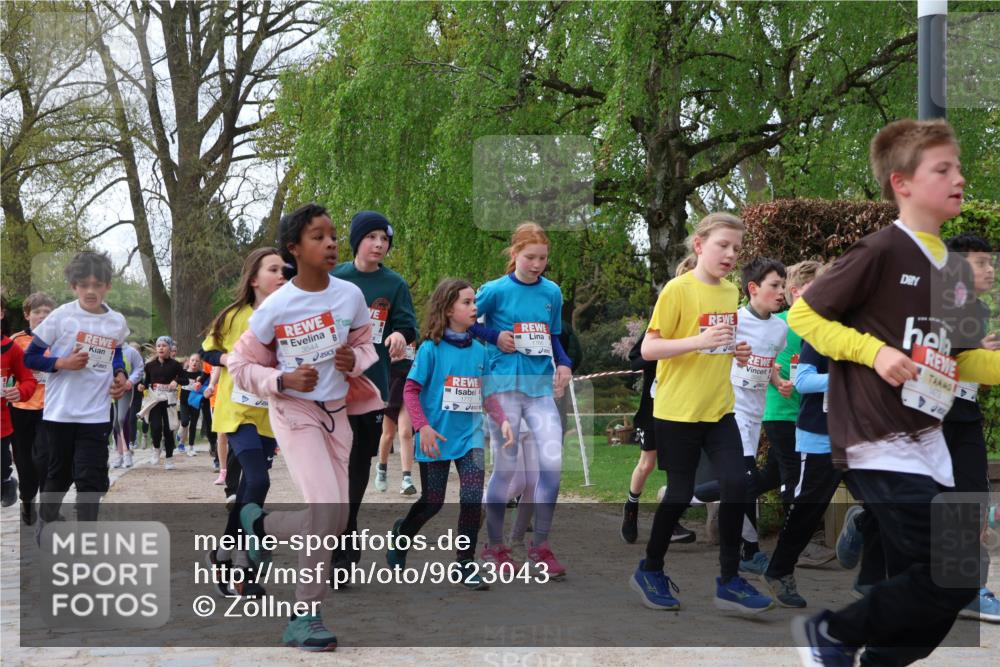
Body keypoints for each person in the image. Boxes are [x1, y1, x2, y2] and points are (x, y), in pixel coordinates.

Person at [788, 118, 999, 666]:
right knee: (943, 570)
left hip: (932, 445)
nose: (958, 176)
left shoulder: (953, 272)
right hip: (876, 438)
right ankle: (833, 632)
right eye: (942, 168)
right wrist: (873, 351)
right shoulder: (880, 250)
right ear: (902, 183)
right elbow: (805, 314)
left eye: (958, 166)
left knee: (957, 576)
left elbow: (965, 360)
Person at [229, 203, 381, 650]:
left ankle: (259, 526)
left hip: (338, 414)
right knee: (324, 511)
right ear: (294, 248)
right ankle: (305, 616)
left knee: (335, 517)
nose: (331, 243)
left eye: (332, 235)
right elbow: (239, 364)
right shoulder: (276, 307)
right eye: (318, 236)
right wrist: (281, 379)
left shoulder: (350, 295)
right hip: (295, 413)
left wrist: (357, 359)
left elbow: (364, 344)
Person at [630, 212, 773, 615]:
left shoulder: (731, 293)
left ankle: (730, 580)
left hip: (719, 409)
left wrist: (733, 349)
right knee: (679, 494)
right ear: (699, 245)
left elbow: (716, 344)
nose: (730, 254)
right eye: (722, 245)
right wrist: (699, 340)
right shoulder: (677, 290)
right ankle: (650, 569)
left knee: (736, 484)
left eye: (736, 249)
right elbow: (648, 350)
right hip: (677, 412)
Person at [387, 278, 514, 589]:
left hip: (470, 435)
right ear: (447, 310)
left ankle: (465, 564)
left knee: (472, 498)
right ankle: (403, 534)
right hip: (435, 437)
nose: (474, 308)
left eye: (475, 302)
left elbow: (487, 394)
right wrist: (422, 427)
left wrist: (503, 420)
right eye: (467, 303)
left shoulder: (480, 351)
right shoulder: (431, 348)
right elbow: (411, 390)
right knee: (433, 501)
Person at [478, 222, 573, 578]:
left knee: (552, 466)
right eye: (530, 257)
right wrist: (494, 335)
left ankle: (541, 547)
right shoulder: (495, 290)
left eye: (543, 258)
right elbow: (464, 321)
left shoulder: (552, 292)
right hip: (502, 389)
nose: (537, 264)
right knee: (504, 468)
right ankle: (494, 546)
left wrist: (564, 364)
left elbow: (555, 337)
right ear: (514, 254)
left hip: (539, 391)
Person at [331, 210, 419, 569]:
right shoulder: (334, 278)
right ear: (357, 241)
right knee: (334, 463)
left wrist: (399, 334)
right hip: (332, 386)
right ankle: (340, 537)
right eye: (373, 237)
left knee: (357, 463)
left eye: (385, 240)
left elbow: (407, 326)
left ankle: (347, 524)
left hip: (371, 388)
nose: (380, 244)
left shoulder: (394, 284)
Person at [23, 251, 131, 527]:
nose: (91, 291)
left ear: (108, 286)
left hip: (95, 413)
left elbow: (116, 352)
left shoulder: (116, 321)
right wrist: (62, 362)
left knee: (90, 477)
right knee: (59, 476)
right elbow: (30, 357)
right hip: (61, 413)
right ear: (74, 286)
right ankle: (47, 520)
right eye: (84, 285)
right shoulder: (61, 317)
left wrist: (119, 373)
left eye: (98, 285)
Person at [940, 232, 1000, 624]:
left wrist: (983, 350)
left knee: (974, 497)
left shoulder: (979, 309)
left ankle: (970, 589)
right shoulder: (939, 304)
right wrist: (975, 345)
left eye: (991, 262)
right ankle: (867, 522)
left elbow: (974, 362)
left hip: (963, 413)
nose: (990, 268)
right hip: (926, 416)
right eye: (981, 262)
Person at [620, 329, 695, 545]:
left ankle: (671, 522)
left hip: (681, 408)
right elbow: (635, 361)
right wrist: (664, 352)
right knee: (647, 464)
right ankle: (631, 506)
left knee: (676, 466)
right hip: (652, 408)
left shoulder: (693, 330)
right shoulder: (657, 328)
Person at [8, 292, 55, 524]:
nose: (42, 316)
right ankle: (27, 500)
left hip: (50, 408)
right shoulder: (16, 341)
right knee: (24, 461)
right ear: (27, 315)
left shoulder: (59, 340)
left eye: (47, 312)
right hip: (20, 408)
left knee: (45, 457)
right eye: (37, 312)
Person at [2, 296, 39, 511]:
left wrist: (20, 392)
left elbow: (28, 379)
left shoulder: (10, 347)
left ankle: (7, 482)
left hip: (5, 420)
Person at [136, 336, 188, 469]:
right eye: (159, 346)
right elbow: (146, 381)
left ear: (170, 349)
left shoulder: (175, 365)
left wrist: (176, 381)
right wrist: (142, 386)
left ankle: (169, 459)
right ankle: (156, 448)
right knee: (156, 427)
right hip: (155, 400)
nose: (161, 348)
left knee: (168, 429)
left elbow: (185, 380)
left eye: (164, 346)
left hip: (169, 401)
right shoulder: (150, 366)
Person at [374, 344, 418, 495]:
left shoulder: (413, 332)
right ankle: (381, 468)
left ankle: (406, 479)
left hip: (409, 382)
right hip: (391, 383)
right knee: (388, 435)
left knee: (406, 432)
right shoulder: (388, 332)